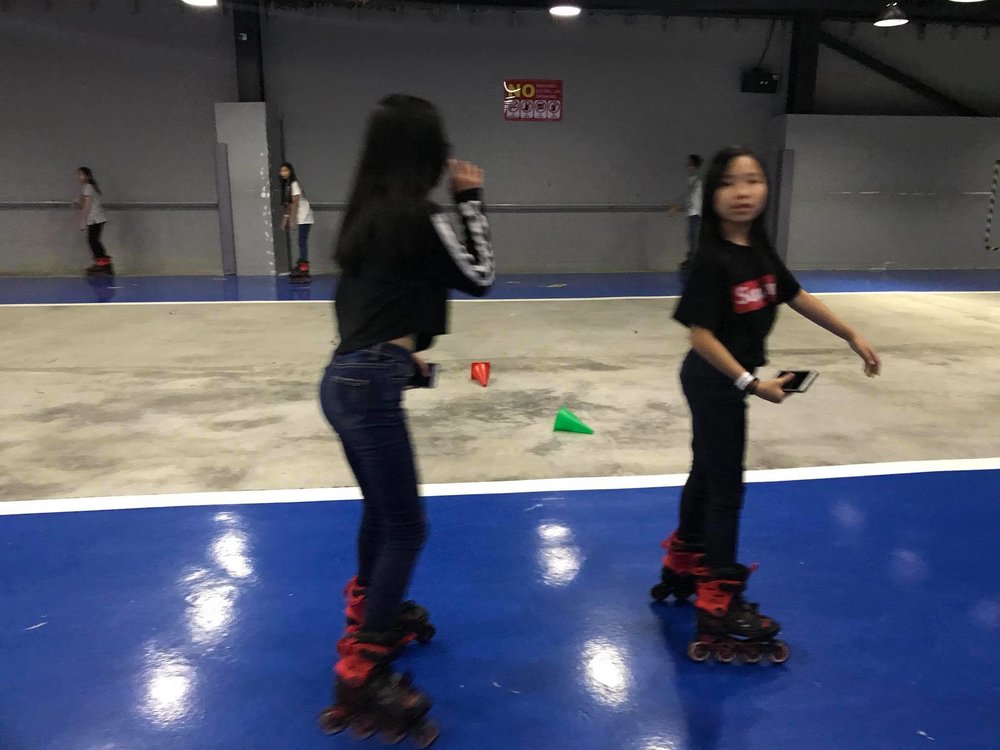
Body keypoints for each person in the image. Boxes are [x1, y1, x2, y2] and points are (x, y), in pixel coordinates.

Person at [652, 146, 881, 664]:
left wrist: (850, 334)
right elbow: (701, 338)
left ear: (766, 189)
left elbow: (794, 294)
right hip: (715, 381)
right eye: (730, 183)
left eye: (753, 181)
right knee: (727, 487)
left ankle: (685, 558)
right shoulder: (711, 261)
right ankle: (717, 599)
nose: (743, 192)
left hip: (730, 380)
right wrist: (750, 385)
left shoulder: (758, 249)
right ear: (712, 196)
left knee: (707, 473)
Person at [316, 94, 494, 743]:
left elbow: (358, 307)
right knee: (408, 527)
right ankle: (362, 671)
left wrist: (402, 359)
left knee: (379, 514)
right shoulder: (423, 214)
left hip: (343, 380)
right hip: (368, 384)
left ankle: (371, 614)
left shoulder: (365, 217)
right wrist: (470, 199)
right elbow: (480, 275)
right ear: (426, 153)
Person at [72, 167, 113, 276]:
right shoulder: (86, 188)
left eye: (81, 175)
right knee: (93, 241)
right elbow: (83, 205)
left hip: (96, 218)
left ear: (87, 176)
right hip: (95, 218)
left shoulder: (88, 187)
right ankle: (101, 263)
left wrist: (83, 220)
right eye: (78, 175)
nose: (79, 177)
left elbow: (88, 205)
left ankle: (103, 265)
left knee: (93, 241)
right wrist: (78, 204)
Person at [667, 154, 703, 273]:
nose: (688, 166)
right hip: (692, 213)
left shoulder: (698, 179)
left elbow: (688, 194)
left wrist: (676, 205)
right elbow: (689, 196)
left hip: (698, 213)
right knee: (691, 237)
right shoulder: (691, 179)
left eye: (690, 164)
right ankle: (691, 259)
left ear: (695, 165)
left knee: (695, 238)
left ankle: (694, 261)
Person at [279, 162, 314, 282]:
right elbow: (288, 205)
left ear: (290, 171)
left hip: (304, 216)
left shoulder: (294, 184)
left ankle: (304, 267)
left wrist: (292, 220)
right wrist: (285, 219)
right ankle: (301, 263)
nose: (283, 173)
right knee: (300, 241)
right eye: (282, 171)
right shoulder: (287, 185)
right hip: (299, 216)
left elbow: (295, 203)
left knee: (302, 241)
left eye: (286, 170)